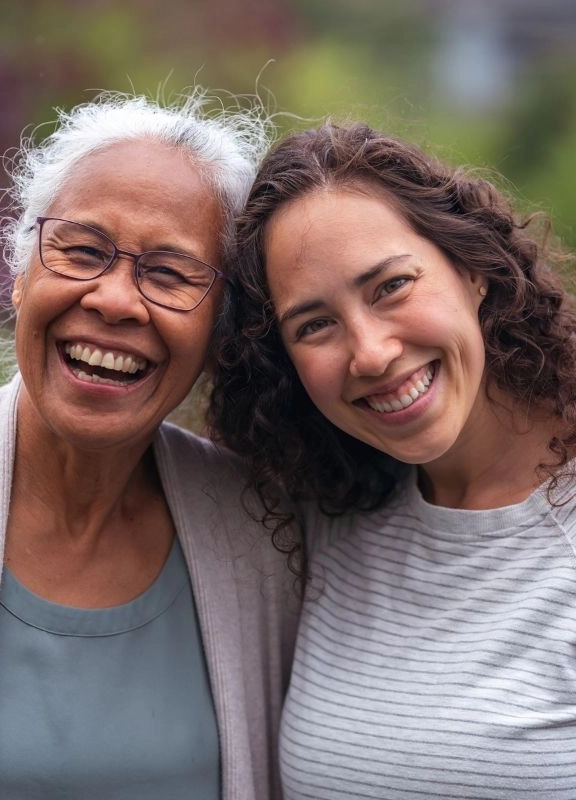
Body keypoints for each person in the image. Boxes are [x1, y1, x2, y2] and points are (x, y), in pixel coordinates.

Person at [209, 121, 576, 798]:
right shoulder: (324, 515)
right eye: (315, 325)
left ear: (472, 268)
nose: (371, 354)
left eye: (391, 286)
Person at [0, 92, 299, 800]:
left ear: (219, 332)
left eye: (170, 273)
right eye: (82, 250)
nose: (115, 300)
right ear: (23, 274)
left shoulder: (266, 532)